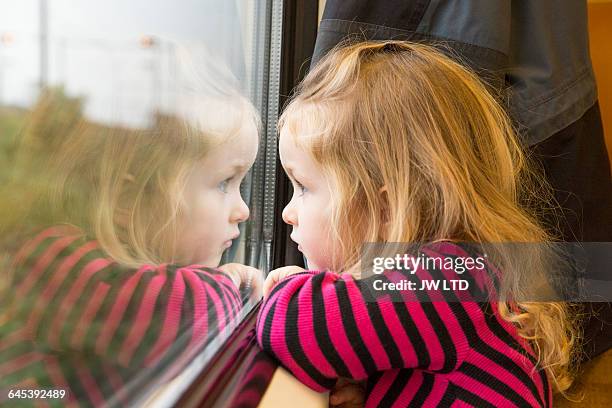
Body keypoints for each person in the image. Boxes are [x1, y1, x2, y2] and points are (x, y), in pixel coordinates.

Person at [257, 41, 579, 407]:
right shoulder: (461, 282)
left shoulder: (449, 279)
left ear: (385, 207)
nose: (287, 212)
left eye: (303, 187)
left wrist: (291, 287)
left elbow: (293, 328)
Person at [0, 82, 262, 406]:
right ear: (131, 198)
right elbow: (195, 315)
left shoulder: (119, 270)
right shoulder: (53, 260)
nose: (243, 210)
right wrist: (230, 282)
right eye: (224, 182)